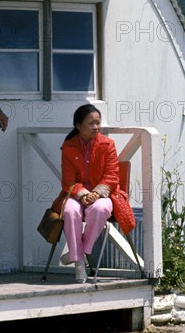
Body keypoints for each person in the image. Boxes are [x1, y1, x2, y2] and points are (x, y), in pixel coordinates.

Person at [55, 104, 122, 283]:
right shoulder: (68, 146)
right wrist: (84, 194)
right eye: (91, 123)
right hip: (76, 193)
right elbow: (68, 181)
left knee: (100, 210)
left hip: (103, 194)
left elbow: (112, 175)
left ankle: (78, 254)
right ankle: (79, 265)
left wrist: (96, 194)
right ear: (78, 125)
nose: (96, 127)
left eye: (98, 123)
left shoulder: (108, 145)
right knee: (69, 211)